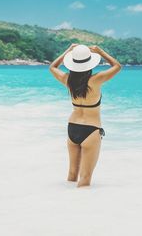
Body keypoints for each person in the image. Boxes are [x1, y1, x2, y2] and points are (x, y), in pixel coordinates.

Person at [49, 43, 122, 187]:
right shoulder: (96, 80)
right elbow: (117, 66)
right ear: (90, 64)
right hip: (91, 130)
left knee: (72, 174)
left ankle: (63, 203)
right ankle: (80, 207)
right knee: (85, 178)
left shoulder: (67, 80)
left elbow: (52, 67)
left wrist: (68, 51)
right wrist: (100, 51)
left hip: (72, 128)